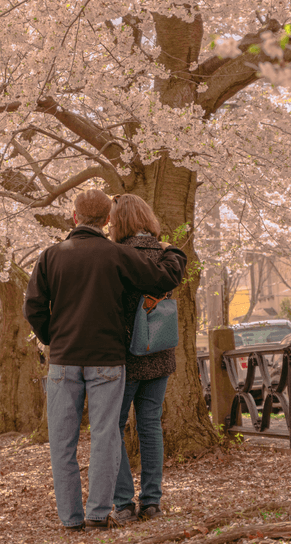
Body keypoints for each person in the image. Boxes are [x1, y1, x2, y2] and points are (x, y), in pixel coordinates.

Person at [23, 189, 186, 532]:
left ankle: (70, 518)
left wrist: (55, 338)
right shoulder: (115, 254)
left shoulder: (50, 256)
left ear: (74, 217)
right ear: (107, 220)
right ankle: (99, 512)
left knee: (62, 444)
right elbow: (162, 279)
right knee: (105, 437)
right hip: (107, 361)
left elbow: (33, 308)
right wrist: (173, 253)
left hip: (64, 361)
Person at [109, 194, 180, 524]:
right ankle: (152, 502)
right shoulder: (167, 255)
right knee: (150, 426)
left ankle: (123, 502)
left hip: (124, 356)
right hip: (159, 351)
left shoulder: (114, 257)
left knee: (113, 427)